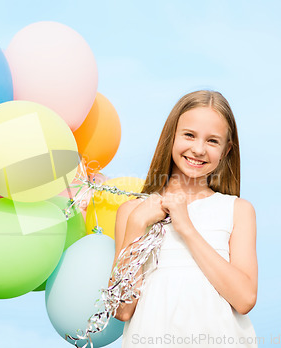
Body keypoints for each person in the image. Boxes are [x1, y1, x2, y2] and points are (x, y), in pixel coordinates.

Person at [110, 90, 258, 347]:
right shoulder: (133, 212)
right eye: (189, 135)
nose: (198, 149)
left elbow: (244, 299)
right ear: (171, 137)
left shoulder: (237, 210)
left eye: (212, 141)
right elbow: (122, 310)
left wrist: (187, 228)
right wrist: (136, 226)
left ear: (226, 150)